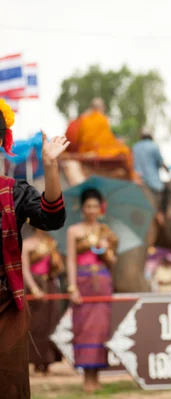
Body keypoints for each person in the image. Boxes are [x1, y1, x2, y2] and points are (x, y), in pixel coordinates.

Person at [0, 99, 68, 398]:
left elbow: (51, 217)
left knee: (9, 385)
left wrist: (51, 167)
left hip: (5, 308)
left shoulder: (13, 191)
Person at [66, 188, 118, 393]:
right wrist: (72, 287)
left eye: (96, 206)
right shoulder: (74, 231)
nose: (92, 210)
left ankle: (97, 376)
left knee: (101, 329)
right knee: (84, 329)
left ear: (100, 208)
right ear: (82, 208)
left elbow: (113, 262)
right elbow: (70, 260)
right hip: (83, 281)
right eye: (88, 206)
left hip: (102, 282)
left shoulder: (106, 232)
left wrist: (106, 250)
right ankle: (86, 377)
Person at [21, 227, 64, 374]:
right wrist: (33, 288)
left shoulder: (51, 243)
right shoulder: (26, 244)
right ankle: (35, 360)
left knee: (50, 322)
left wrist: (56, 261)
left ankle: (48, 360)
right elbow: (24, 269)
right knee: (35, 324)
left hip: (50, 285)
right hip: (34, 285)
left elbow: (57, 268)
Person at [132, 129, 171, 226]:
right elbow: (161, 162)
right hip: (152, 181)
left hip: (137, 181)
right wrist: (168, 171)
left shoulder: (135, 147)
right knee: (167, 191)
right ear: (151, 137)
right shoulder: (154, 146)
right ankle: (161, 212)